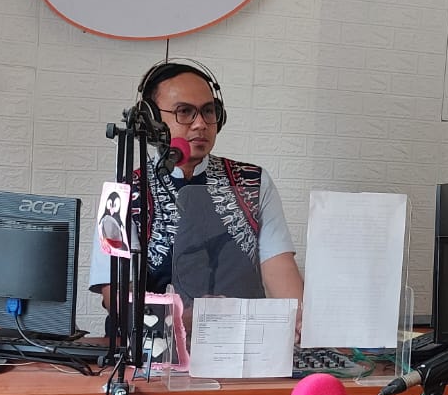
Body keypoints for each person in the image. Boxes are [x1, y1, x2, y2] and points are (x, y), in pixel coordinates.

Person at [90, 60, 303, 317]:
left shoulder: (253, 182)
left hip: (236, 337)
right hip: (155, 338)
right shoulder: (120, 193)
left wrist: (300, 319)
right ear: (152, 121)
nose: (200, 123)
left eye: (208, 111)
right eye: (184, 111)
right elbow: (115, 294)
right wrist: (187, 318)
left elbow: (279, 270)